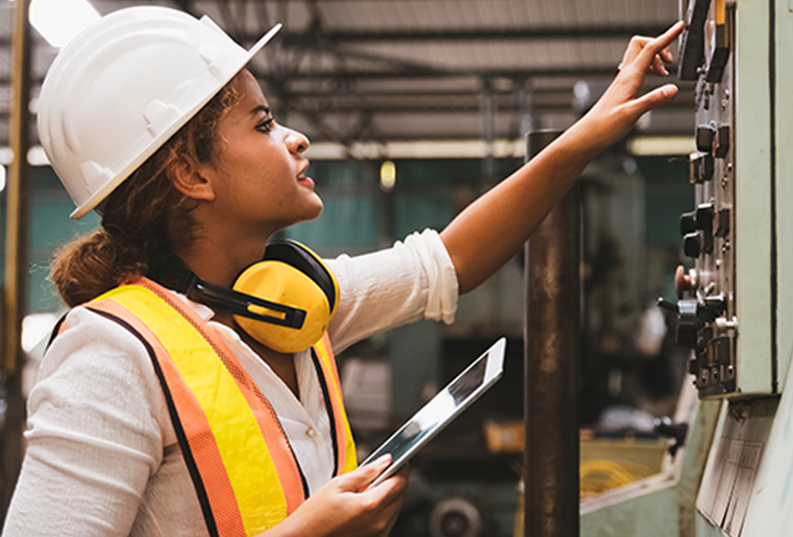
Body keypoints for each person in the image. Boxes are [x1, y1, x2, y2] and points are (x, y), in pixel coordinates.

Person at [3, 5, 683, 537]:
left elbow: (448, 259)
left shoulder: (297, 303)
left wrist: (586, 133)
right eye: (263, 124)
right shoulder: (112, 355)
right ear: (189, 172)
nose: (294, 136)